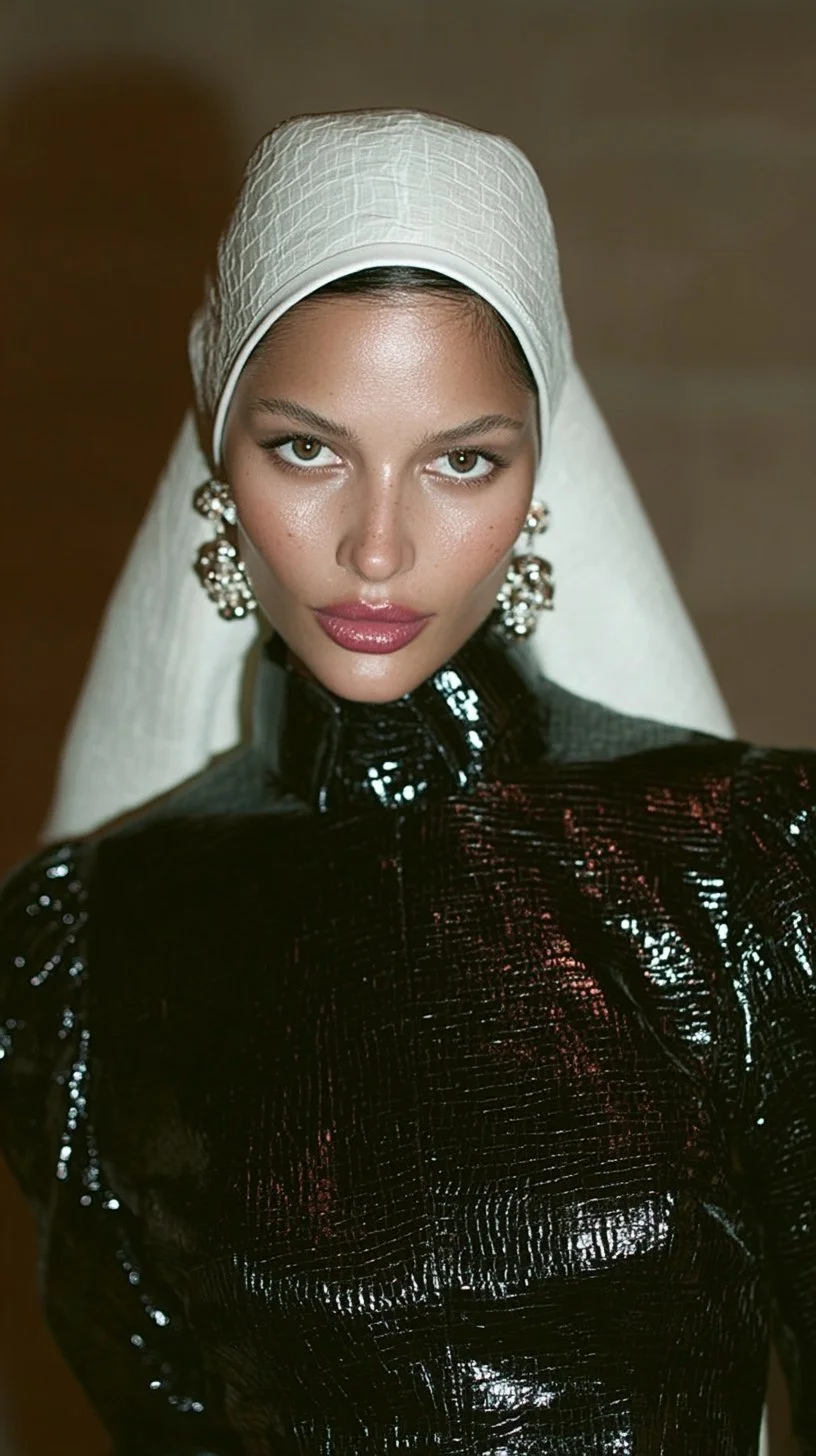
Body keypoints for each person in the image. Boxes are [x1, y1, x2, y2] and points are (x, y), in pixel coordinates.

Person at [0, 107, 805, 1454]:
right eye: (307, 449)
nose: (377, 551)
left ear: (540, 475)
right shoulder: (84, 952)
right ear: (218, 455)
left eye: (461, 459)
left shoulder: (745, 865)